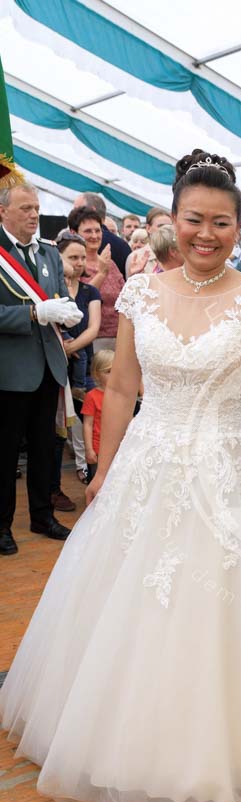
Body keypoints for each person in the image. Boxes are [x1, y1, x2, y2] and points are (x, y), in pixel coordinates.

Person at [0, 150, 241, 802]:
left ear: (240, 226)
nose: (207, 234)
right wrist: (104, 467)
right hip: (149, 462)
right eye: (195, 220)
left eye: (222, 223)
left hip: (232, 465)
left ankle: (232, 736)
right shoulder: (142, 293)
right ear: (173, 221)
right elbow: (123, 387)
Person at [0, 182, 82, 555]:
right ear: (3, 211)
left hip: (49, 366)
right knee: (5, 454)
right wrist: (33, 313)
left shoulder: (48, 252)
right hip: (10, 370)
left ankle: (42, 515)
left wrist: (67, 310)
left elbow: (57, 297)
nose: (34, 214)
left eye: (36, 208)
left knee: (45, 449)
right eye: (25, 208)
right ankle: (2, 526)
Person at [55, 231, 102, 490]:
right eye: (73, 257)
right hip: (57, 365)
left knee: (88, 417)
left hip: (84, 364)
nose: (79, 262)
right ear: (59, 258)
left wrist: (72, 346)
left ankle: (89, 466)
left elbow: (93, 328)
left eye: (83, 257)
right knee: (63, 424)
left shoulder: (89, 291)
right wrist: (63, 345)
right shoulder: (52, 289)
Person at [68, 206, 124, 352]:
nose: (94, 236)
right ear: (73, 233)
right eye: (88, 231)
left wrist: (134, 275)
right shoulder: (72, 265)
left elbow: (124, 299)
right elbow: (79, 301)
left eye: (98, 230)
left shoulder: (110, 263)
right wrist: (101, 274)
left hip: (119, 338)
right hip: (91, 342)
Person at [72, 193, 131, 279]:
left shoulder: (73, 242)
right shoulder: (123, 245)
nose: (94, 236)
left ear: (91, 211)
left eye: (77, 210)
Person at [82, 349, 113, 483]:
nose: (113, 375)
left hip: (117, 448)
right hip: (98, 449)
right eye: (108, 371)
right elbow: (87, 425)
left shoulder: (120, 395)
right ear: (96, 374)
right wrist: (89, 450)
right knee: (97, 483)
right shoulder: (92, 396)